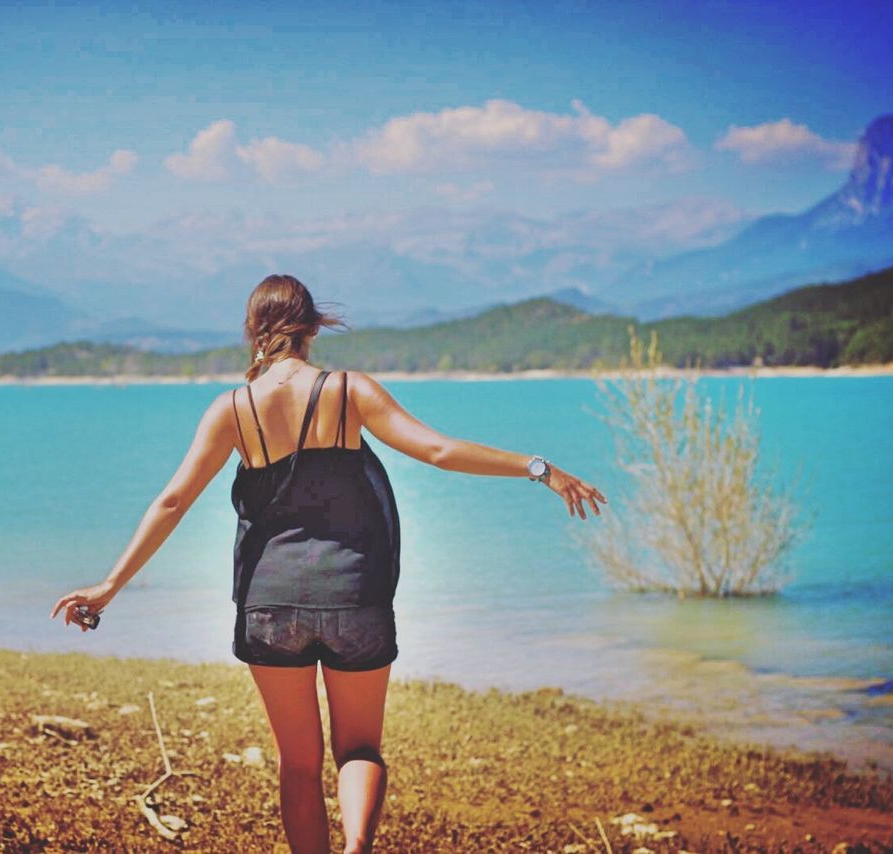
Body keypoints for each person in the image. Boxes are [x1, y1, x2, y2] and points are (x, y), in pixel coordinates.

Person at [51, 274, 607, 853]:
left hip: (269, 605)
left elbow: (172, 501)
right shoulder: (350, 391)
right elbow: (438, 451)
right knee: (360, 750)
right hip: (354, 596)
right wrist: (539, 468)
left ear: (253, 331)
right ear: (312, 328)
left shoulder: (232, 410)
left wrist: (109, 586)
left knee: (297, 765)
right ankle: (356, 847)